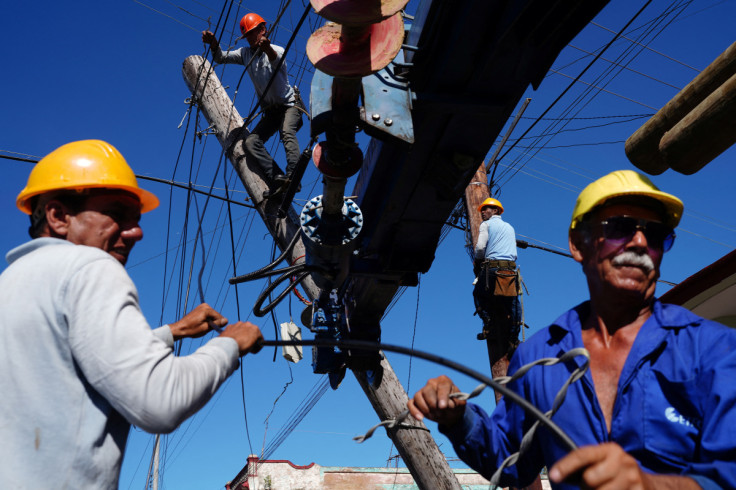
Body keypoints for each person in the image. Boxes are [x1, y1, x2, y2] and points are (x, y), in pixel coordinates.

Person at [409, 170, 736, 489]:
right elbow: (510, 458)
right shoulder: (540, 355)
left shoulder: (712, 349)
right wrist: (458, 418)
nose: (639, 242)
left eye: (654, 234)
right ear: (579, 244)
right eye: (620, 228)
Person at [0, 140, 264, 488]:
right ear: (59, 216)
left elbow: (76, 363)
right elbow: (160, 400)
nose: (136, 232)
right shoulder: (89, 266)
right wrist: (229, 346)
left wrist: (172, 332)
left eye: (135, 220)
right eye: (117, 214)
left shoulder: (13, 282)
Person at [202, 13, 303, 197]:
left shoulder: (276, 50)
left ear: (262, 30)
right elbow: (221, 58)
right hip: (271, 113)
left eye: (252, 33)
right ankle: (279, 179)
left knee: (287, 132)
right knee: (251, 142)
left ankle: (293, 176)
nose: (249, 39)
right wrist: (214, 44)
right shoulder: (245, 54)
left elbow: (274, 59)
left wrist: (267, 49)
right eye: (247, 35)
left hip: (290, 106)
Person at [472, 197, 521, 356]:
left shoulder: (486, 225)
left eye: (486, 209)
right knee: (512, 302)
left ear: (495, 211)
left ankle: (489, 325)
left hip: (492, 268)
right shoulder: (510, 227)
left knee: (479, 294)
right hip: (509, 270)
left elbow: (480, 248)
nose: (483, 212)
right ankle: (513, 337)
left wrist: (478, 261)